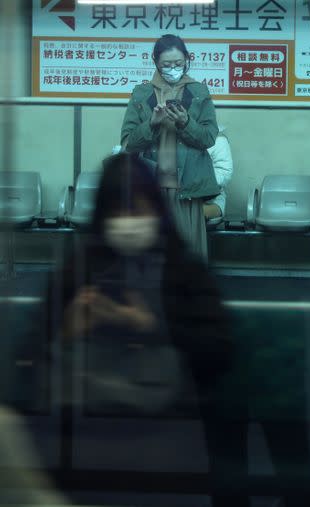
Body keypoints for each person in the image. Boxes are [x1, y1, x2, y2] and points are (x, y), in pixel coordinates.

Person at [41, 153, 235, 505]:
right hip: (89, 441)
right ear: (103, 214)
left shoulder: (183, 271)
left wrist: (150, 325)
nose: (128, 222)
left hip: (172, 436)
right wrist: (66, 331)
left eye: (139, 209)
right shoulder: (79, 270)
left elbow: (219, 352)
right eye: (118, 212)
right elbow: (33, 358)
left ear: (157, 211)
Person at [120, 34, 220, 260]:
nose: (173, 69)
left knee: (187, 254)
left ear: (187, 59)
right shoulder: (141, 94)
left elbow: (209, 138)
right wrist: (152, 124)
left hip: (186, 188)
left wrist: (185, 122)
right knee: (152, 253)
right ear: (155, 61)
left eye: (178, 63)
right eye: (166, 64)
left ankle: (188, 295)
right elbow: (128, 143)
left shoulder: (199, 93)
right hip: (150, 187)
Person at [204, 124, 233, 222]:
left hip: (211, 201)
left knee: (188, 215)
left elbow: (225, 174)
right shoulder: (173, 139)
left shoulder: (218, 140)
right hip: (180, 201)